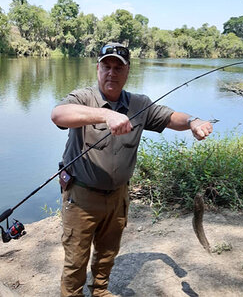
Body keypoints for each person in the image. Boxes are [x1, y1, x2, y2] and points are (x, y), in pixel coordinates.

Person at [51, 43, 213, 297]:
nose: (111, 73)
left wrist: (193, 121)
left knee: (108, 252)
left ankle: (100, 291)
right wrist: (104, 116)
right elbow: (59, 115)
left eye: (118, 67)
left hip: (118, 197)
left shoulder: (140, 104)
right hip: (81, 197)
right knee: (76, 259)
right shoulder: (83, 98)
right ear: (98, 68)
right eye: (106, 66)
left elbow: (171, 118)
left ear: (128, 72)